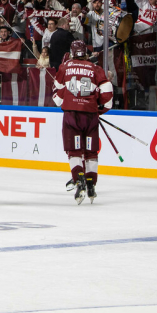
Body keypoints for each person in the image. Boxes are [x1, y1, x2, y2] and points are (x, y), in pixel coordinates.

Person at [53, 40, 113, 204]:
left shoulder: (65, 66)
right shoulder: (96, 68)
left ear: (72, 53)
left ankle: (79, 178)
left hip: (72, 115)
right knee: (91, 152)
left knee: (74, 151)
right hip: (90, 115)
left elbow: (57, 91)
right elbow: (107, 95)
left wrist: (63, 99)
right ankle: (91, 184)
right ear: (86, 52)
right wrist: (98, 109)